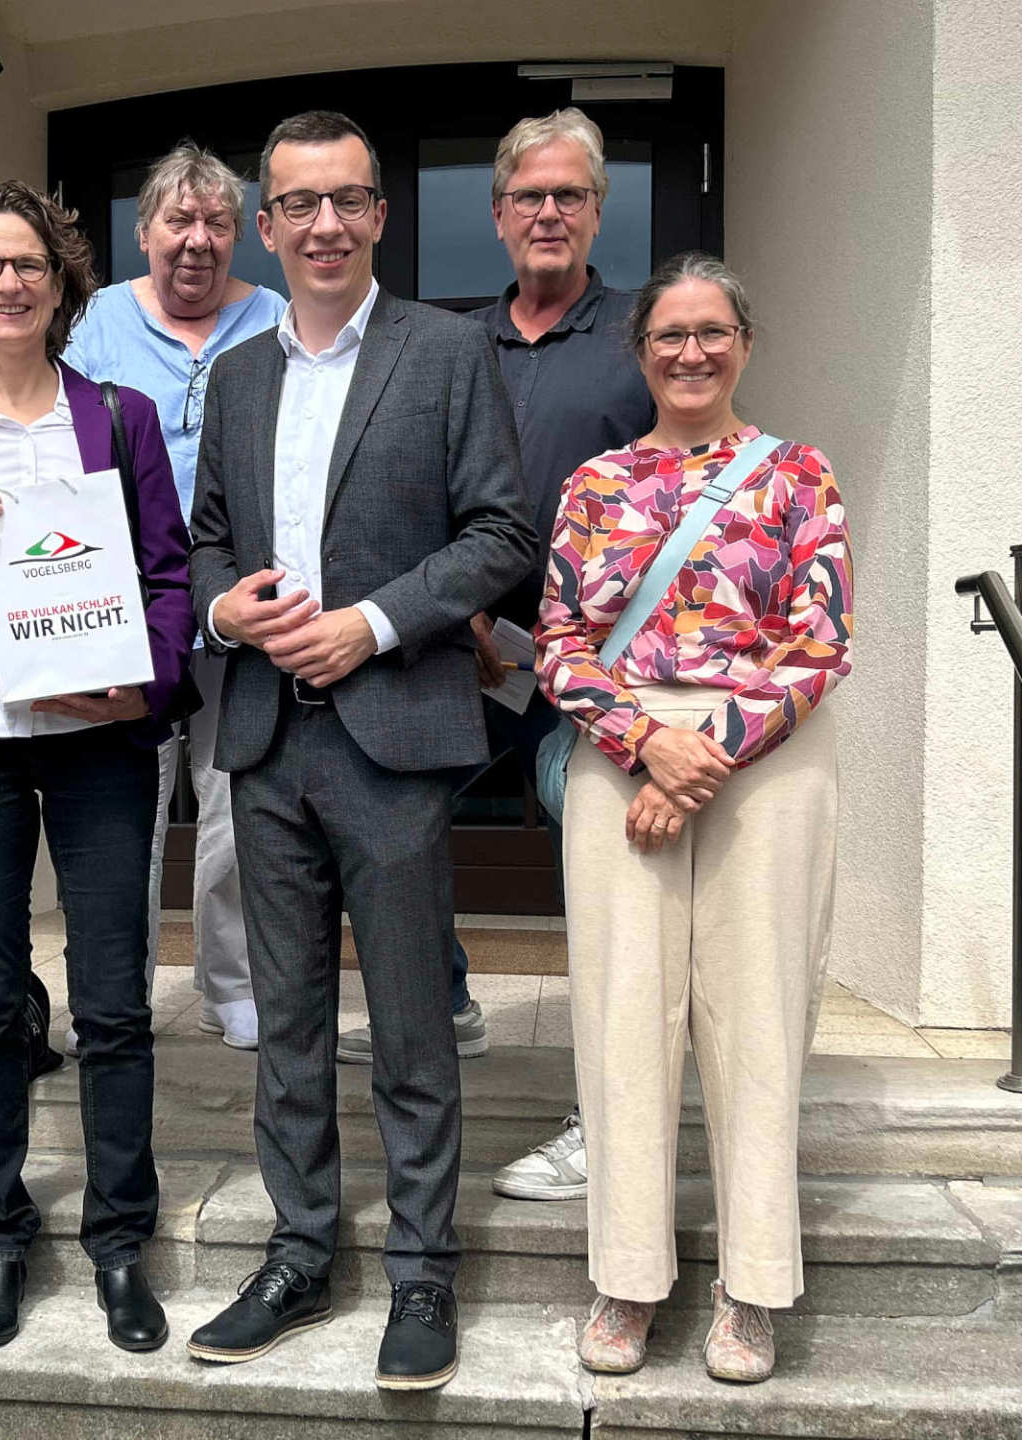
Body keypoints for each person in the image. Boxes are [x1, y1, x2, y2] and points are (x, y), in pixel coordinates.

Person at [184, 111, 536, 1392]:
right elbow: (207, 542)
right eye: (298, 205)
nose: (323, 224)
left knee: (409, 1026)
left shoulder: (443, 353)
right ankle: (299, 1253)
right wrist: (229, 610)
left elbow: (503, 536)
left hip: (391, 736)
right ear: (265, 227)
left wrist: (372, 624)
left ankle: (425, 1269)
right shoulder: (235, 375)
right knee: (286, 1022)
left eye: (347, 200)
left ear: (382, 215)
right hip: (267, 740)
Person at [0, 182, 196, 1354]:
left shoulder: (119, 417)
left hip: (103, 748)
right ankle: (0, 1236)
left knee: (114, 1004)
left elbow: (169, 581)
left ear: (62, 285)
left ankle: (120, 1243)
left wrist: (148, 683)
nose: (8, 284)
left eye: (29, 265)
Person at [537, 253, 851, 1381]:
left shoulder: (798, 476)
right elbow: (562, 643)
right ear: (641, 352)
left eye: (713, 331)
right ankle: (627, 1278)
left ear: (745, 344)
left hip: (762, 758)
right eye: (669, 334)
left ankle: (753, 1288)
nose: (691, 352)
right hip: (624, 749)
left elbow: (821, 638)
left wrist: (700, 756)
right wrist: (646, 747)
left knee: (755, 1019)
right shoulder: (596, 484)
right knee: (625, 1020)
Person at [335, 108, 653, 1102]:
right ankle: (443, 1005)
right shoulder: (444, 342)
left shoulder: (642, 339)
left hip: (599, 660)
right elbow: (413, 487)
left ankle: (611, 1073)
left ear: (598, 211)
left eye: (570, 195)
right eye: (530, 196)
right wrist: (455, 604)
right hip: (464, 646)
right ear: (498, 213)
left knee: (600, 852)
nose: (549, 212)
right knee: (403, 824)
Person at [65, 141, 285, 1052]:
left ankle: (231, 986)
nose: (197, 242)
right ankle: (120, 990)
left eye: (218, 223)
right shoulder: (99, 320)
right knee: (128, 802)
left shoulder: (273, 315)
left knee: (233, 796)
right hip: (129, 594)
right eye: (178, 222)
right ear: (143, 230)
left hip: (239, 593)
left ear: (241, 233)